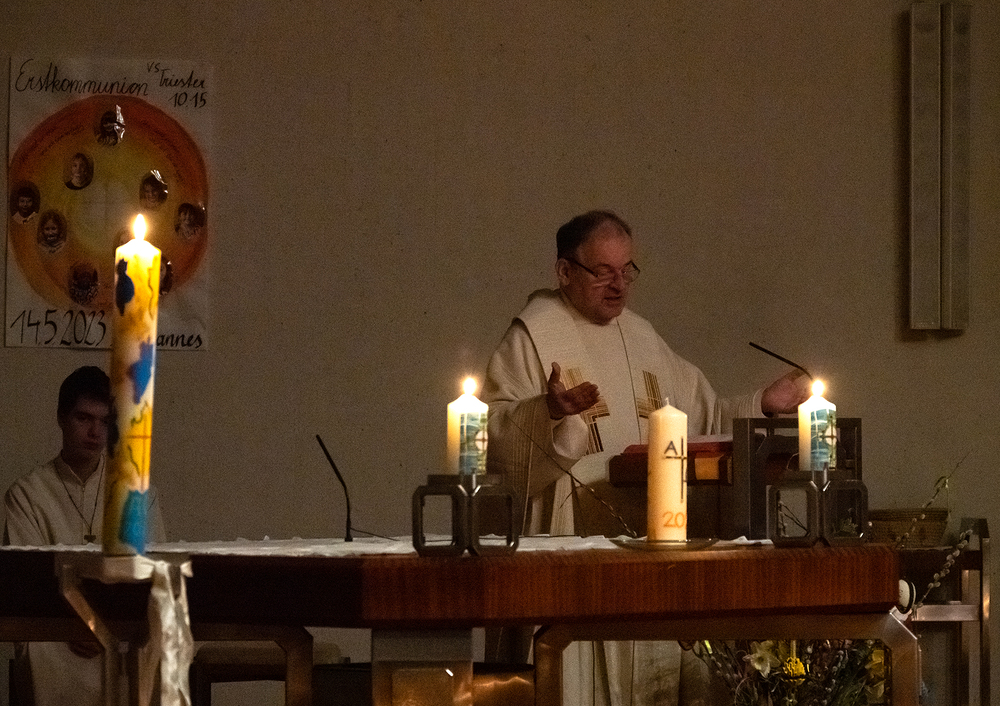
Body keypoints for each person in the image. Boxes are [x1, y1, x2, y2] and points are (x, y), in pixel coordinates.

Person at [482, 210, 808, 705]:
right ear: (564, 271)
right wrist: (547, 412)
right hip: (574, 546)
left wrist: (762, 402)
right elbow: (495, 435)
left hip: (651, 546)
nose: (618, 285)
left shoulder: (641, 336)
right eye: (602, 271)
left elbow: (701, 415)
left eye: (627, 270)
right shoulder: (534, 336)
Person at [3, 366, 166, 706]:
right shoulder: (28, 494)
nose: (95, 432)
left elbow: (152, 570)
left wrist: (106, 625)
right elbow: (26, 581)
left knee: (156, 647)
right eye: (84, 418)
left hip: (120, 627)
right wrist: (78, 624)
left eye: (105, 421)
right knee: (41, 652)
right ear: (61, 419)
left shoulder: (134, 490)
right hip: (58, 630)